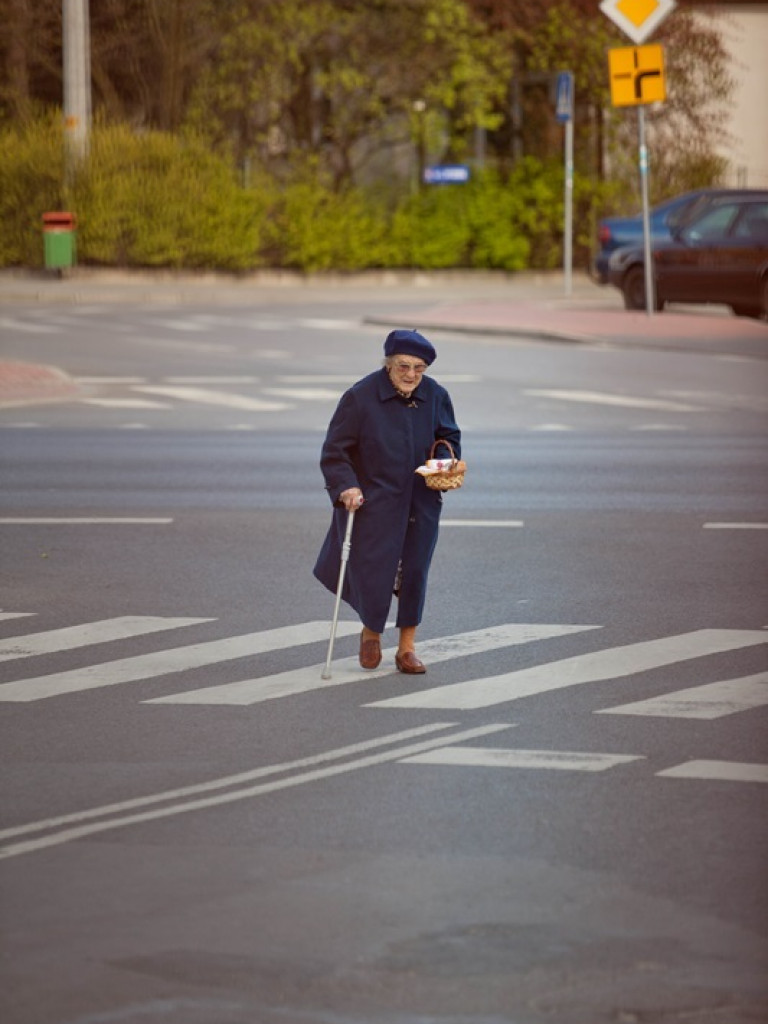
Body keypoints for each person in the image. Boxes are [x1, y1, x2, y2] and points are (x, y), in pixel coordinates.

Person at [313, 328, 461, 674]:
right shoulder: (361, 397)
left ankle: (407, 649)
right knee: (374, 572)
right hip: (374, 502)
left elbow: (449, 437)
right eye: (404, 367)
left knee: (414, 572)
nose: (411, 375)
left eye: (419, 369)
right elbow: (335, 452)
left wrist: (443, 468)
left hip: (421, 500)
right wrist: (346, 487)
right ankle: (371, 634)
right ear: (388, 364)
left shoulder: (435, 394)